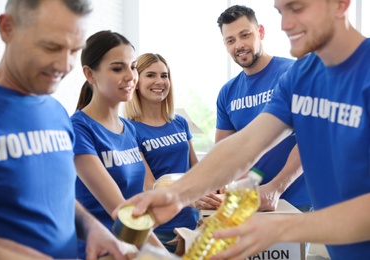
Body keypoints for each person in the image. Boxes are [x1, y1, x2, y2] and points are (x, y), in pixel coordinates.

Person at [113, 0, 370, 259]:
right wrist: (176, 194)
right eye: (281, 11)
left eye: (297, 8)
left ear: (340, 5)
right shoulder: (300, 77)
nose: (285, 24)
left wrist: (282, 226)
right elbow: (246, 144)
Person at [0, 0, 128, 259]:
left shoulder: (57, 112)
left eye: (74, 50)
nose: (64, 65)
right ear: (7, 28)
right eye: (51, 47)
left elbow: (56, 199)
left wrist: (91, 226)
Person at [71, 31, 164, 259]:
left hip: (130, 248)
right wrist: (163, 255)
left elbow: (138, 201)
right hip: (99, 252)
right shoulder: (78, 129)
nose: (131, 76)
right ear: (89, 74)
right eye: (117, 68)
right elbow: (122, 211)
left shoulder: (129, 129)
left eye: (132, 67)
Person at [215, 5, 311, 212]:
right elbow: (223, 155)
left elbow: (311, 139)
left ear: (261, 32)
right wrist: (213, 188)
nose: (239, 45)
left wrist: (275, 189)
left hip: (295, 199)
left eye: (245, 35)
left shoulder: (294, 73)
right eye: (230, 40)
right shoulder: (227, 92)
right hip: (246, 202)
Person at [123, 53, 203, 252]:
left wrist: (206, 206)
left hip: (191, 222)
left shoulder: (179, 122)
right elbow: (149, 185)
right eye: (150, 75)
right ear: (136, 81)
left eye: (164, 75)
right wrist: (189, 199)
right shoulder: (129, 130)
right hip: (160, 229)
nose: (160, 81)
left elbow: (198, 171)